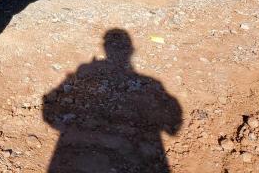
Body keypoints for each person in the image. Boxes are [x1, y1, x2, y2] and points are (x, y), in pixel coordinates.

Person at [43, 29, 182, 172]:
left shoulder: (85, 69)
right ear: (132, 50)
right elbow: (173, 126)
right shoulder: (152, 84)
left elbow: (48, 115)